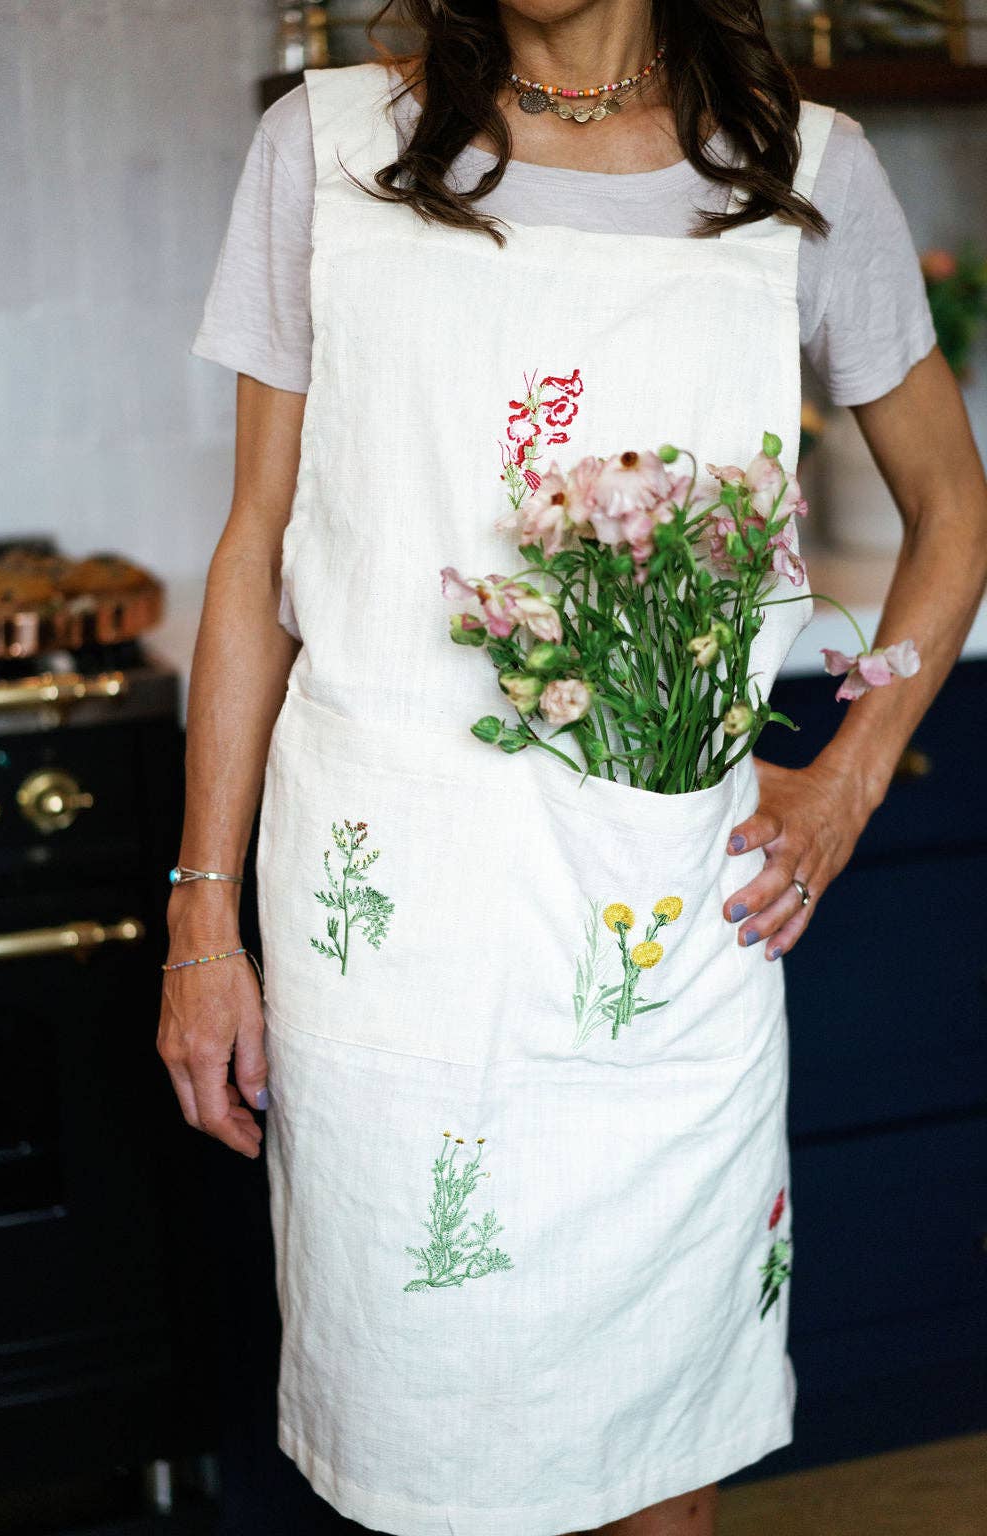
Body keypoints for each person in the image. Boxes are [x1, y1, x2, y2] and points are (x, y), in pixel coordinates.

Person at [158, 2, 987, 1533]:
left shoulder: (800, 169)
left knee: (654, 1468)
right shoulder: (330, 148)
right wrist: (203, 914)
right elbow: (253, 549)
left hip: (655, 931)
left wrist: (852, 776)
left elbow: (952, 505)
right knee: (419, 1453)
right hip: (392, 933)